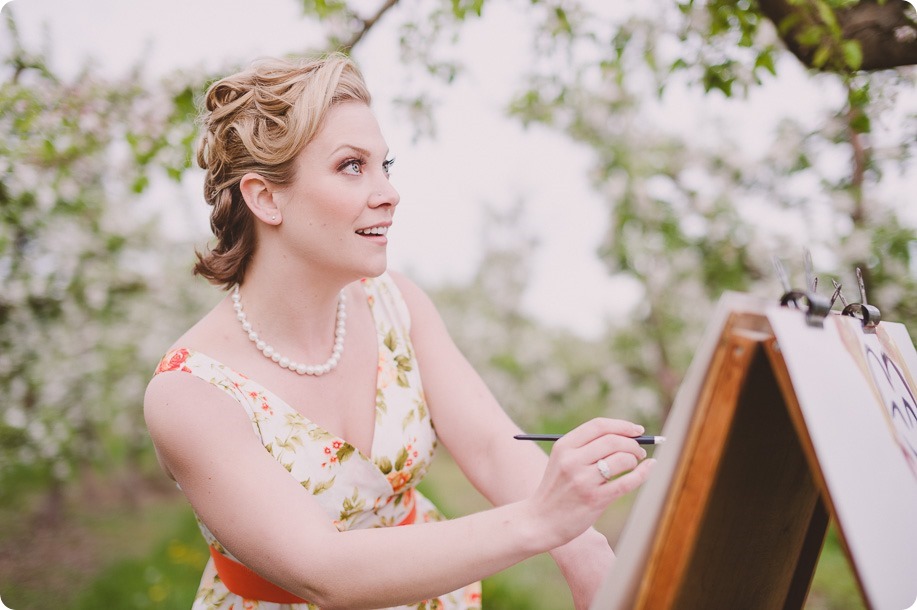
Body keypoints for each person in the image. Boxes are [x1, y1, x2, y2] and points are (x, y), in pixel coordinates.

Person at [143, 52, 655, 610]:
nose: (389, 192)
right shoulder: (189, 394)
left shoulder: (395, 303)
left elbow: (488, 446)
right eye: (351, 166)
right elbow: (324, 572)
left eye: (385, 165)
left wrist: (585, 550)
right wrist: (539, 521)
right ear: (265, 197)